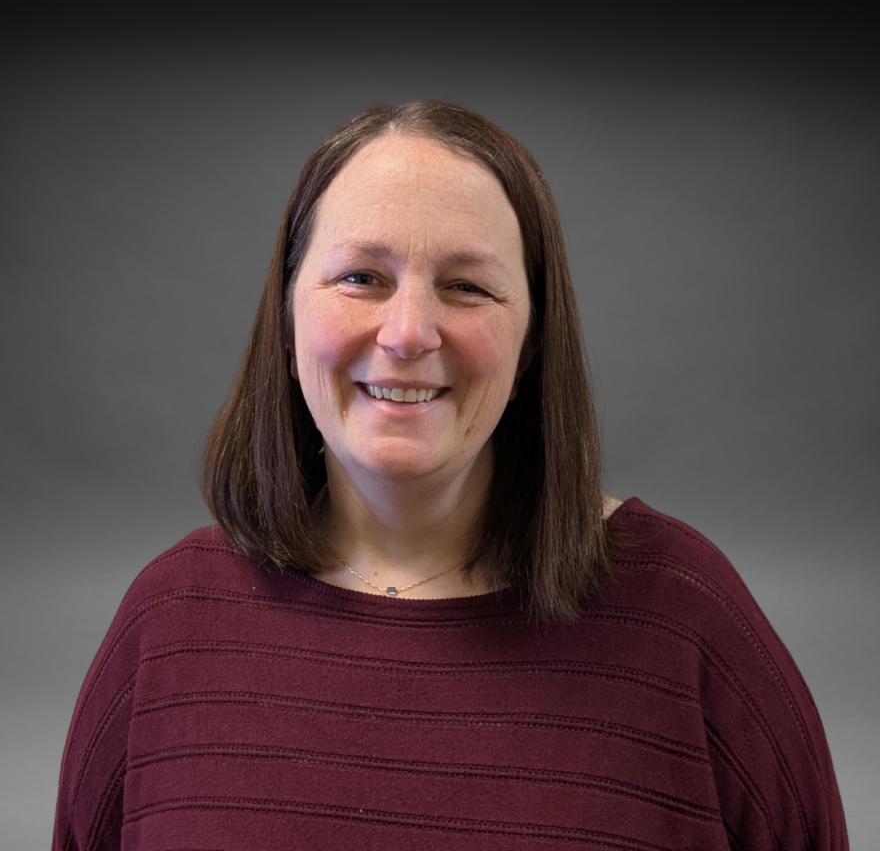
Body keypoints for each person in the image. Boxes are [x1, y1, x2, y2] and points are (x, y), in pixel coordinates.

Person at [53, 100, 848, 849]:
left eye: (467, 287)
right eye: (361, 277)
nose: (407, 333)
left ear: (531, 344)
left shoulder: (687, 618)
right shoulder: (168, 625)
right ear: (288, 320)